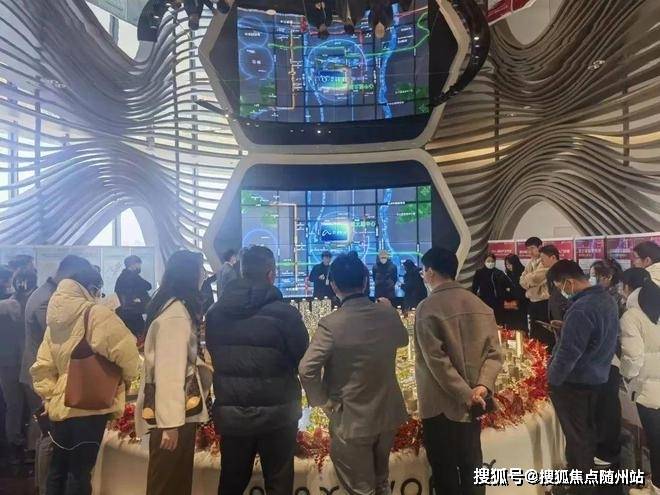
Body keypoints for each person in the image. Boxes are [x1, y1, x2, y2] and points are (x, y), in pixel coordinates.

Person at [299, 254, 408, 494]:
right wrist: (390, 311)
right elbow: (403, 340)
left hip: (351, 418)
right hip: (387, 413)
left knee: (361, 488)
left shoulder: (331, 324)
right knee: (381, 481)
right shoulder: (387, 314)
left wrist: (323, 402)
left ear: (333, 285)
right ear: (366, 281)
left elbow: (307, 369)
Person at [205, 246, 309, 495]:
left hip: (233, 413)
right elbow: (303, 359)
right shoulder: (286, 315)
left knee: (231, 483)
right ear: (271, 274)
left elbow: (215, 353)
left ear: (242, 271)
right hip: (278, 415)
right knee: (279, 484)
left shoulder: (216, 313)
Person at [31, 262, 139, 495]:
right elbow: (128, 353)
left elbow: (42, 367)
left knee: (58, 469)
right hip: (91, 402)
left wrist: (52, 396)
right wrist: (125, 379)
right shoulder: (96, 314)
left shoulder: (54, 320)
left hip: (61, 406)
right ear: (90, 287)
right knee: (80, 473)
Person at [415, 247, 502, 495]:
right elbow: (494, 354)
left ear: (431, 272)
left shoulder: (427, 308)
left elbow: (437, 361)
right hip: (474, 404)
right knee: (472, 465)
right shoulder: (479, 304)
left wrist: (466, 394)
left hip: (440, 406)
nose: (423, 275)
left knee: (445, 473)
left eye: (423, 270)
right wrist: (481, 387)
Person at [136, 251, 210, 495]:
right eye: (200, 270)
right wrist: (170, 424)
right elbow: (170, 371)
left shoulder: (170, 307)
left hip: (174, 415)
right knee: (169, 483)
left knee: (171, 481)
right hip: (175, 417)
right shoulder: (176, 314)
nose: (203, 275)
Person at [21, 255, 92, 495]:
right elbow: (60, 336)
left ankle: (45, 486)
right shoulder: (48, 300)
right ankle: (45, 488)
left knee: (47, 435)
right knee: (50, 437)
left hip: (42, 372)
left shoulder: (46, 294)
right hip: (42, 376)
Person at [546, 260, 619, 495]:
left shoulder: (581, 308)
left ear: (569, 281)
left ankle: (581, 487)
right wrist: (567, 327)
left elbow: (569, 354)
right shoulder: (606, 299)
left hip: (575, 382)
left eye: (560, 286)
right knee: (586, 432)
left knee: (577, 437)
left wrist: (551, 380)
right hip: (597, 377)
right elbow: (597, 336)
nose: (561, 291)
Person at [620, 269, 660, 495]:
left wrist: (627, 375)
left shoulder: (632, 317)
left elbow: (632, 359)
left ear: (628, 287)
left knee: (656, 443)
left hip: (649, 393)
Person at [586, 258, 625, 467]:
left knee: (608, 405)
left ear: (607, 277)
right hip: (602, 358)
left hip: (610, 358)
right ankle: (603, 445)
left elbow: (614, 333)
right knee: (602, 403)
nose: (590, 279)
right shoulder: (602, 297)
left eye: (594, 275)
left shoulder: (614, 299)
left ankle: (608, 450)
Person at [0, 268, 37, 465]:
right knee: (35, 406)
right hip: (28, 362)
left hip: (6, 363)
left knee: (13, 406)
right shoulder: (35, 305)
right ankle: (33, 446)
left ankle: (15, 447)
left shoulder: (4, 306)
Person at [520, 237, 550, 341]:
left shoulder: (545, 261)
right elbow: (521, 282)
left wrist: (529, 281)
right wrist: (530, 280)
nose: (530, 252)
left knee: (544, 334)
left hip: (544, 302)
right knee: (533, 333)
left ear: (540, 247)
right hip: (533, 303)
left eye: (532, 248)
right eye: (528, 249)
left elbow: (535, 278)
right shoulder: (530, 263)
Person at [115, 255, 152, 337]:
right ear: (133, 265)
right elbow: (148, 286)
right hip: (133, 312)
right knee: (140, 335)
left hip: (124, 312)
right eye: (138, 264)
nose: (139, 267)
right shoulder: (133, 276)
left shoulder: (121, 277)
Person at [470, 253, 512, 325]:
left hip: (497, 302)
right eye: (488, 261)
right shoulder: (479, 273)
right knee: (486, 322)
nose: (490, 263)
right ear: (484, 262)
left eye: (492, 261)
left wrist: (505, 295)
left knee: (498, 323)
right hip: (484, 301)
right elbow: (474, 288)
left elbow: (509, 285)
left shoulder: (499, 273)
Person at [502, 254, 528, 330]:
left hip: (522, 305)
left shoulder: (523, 273)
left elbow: (523, 291)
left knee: (521, 328)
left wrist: (517, 302)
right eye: (506, 264)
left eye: (510, 264)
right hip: (510, 306)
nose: (508, 266)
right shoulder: (508, 274)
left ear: (515, 263)